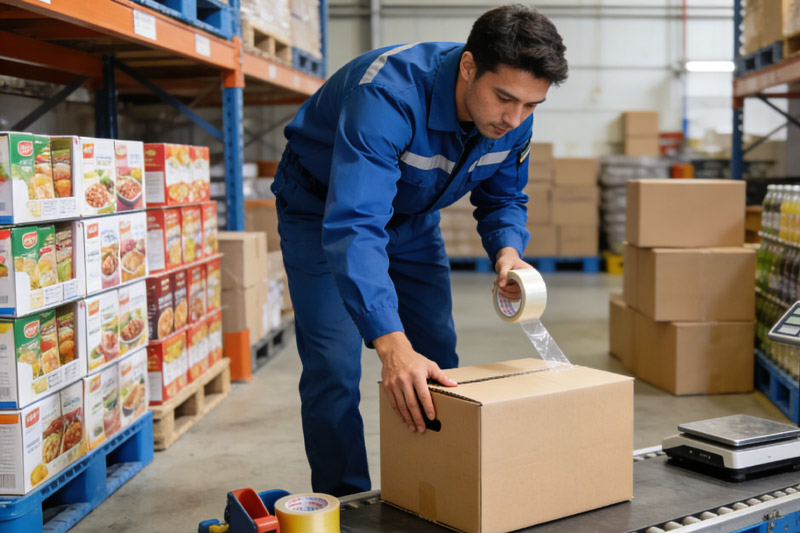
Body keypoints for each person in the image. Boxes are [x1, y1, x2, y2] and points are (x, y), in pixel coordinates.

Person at [272, 4, 568, 496]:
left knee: (438, 359)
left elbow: (505, 197)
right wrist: (389, 344)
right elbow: (356, 225)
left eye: (531, 106)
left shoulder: (514, 120)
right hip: (324, 212)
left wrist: (508, 252)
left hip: (411, 220)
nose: (514, 118)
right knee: (334, 366)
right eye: (504, 98)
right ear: (469, 66)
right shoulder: (386, 96)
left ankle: (436, 489)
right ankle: (345, 503)